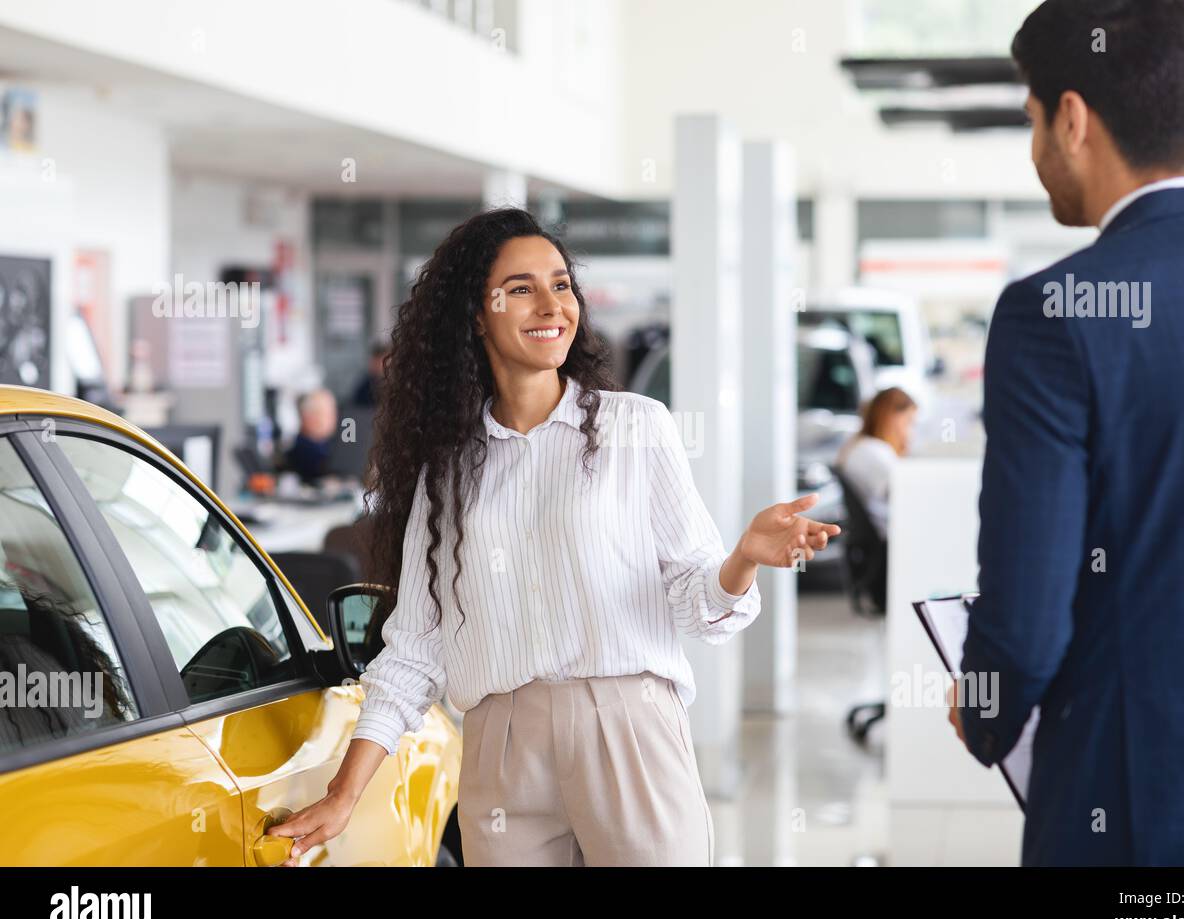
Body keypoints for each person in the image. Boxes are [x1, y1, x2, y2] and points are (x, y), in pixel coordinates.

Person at [270, 207, 841, 866]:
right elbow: (414, 652)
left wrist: (742, 559)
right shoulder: (447, 471)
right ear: (476, 315)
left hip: (627, 732)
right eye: (520, 288)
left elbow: (697, 602)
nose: (551, 304)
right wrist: (344, 794)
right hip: (501, 747)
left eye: (561, 284)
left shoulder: (637, 427)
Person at [947, 0, 1184, 865]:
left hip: (1135, 804)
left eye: (1032, 120)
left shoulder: (1051, 314)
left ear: (1071, 119)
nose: (1036, 153)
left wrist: (984, 704)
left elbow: (1027, 615)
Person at [835, 386, 917, 540]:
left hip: (870, 542)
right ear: (892, 418)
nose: (912, 432)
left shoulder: (861, 446)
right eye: (909, 421)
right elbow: (907, 497)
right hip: (885, 541)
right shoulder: (875, 453)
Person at [281, 388, 337, 484]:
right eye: (327, 413)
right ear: (307, 417)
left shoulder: (331, 445)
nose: (333, 419)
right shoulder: (304, 450)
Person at [350, 339, 388, 406]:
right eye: (375, 361)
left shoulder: (397, 386)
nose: (377, 365)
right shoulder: (364, 386)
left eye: (380, 362)